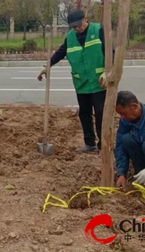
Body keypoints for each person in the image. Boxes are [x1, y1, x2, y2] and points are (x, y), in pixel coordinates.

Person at [37, 9, 111, 153]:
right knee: (84, 113)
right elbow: (60, 52)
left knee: (101, 112)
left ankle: (104, 145)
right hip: (81, 82)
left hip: (99, 82)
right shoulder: (70, 37)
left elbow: (110, 51)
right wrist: (47, 66)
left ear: (86, 19)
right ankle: (90, 144)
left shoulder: (99, 30)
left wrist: (108, 71)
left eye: (79, 25)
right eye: (74, 27)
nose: (77, 28)